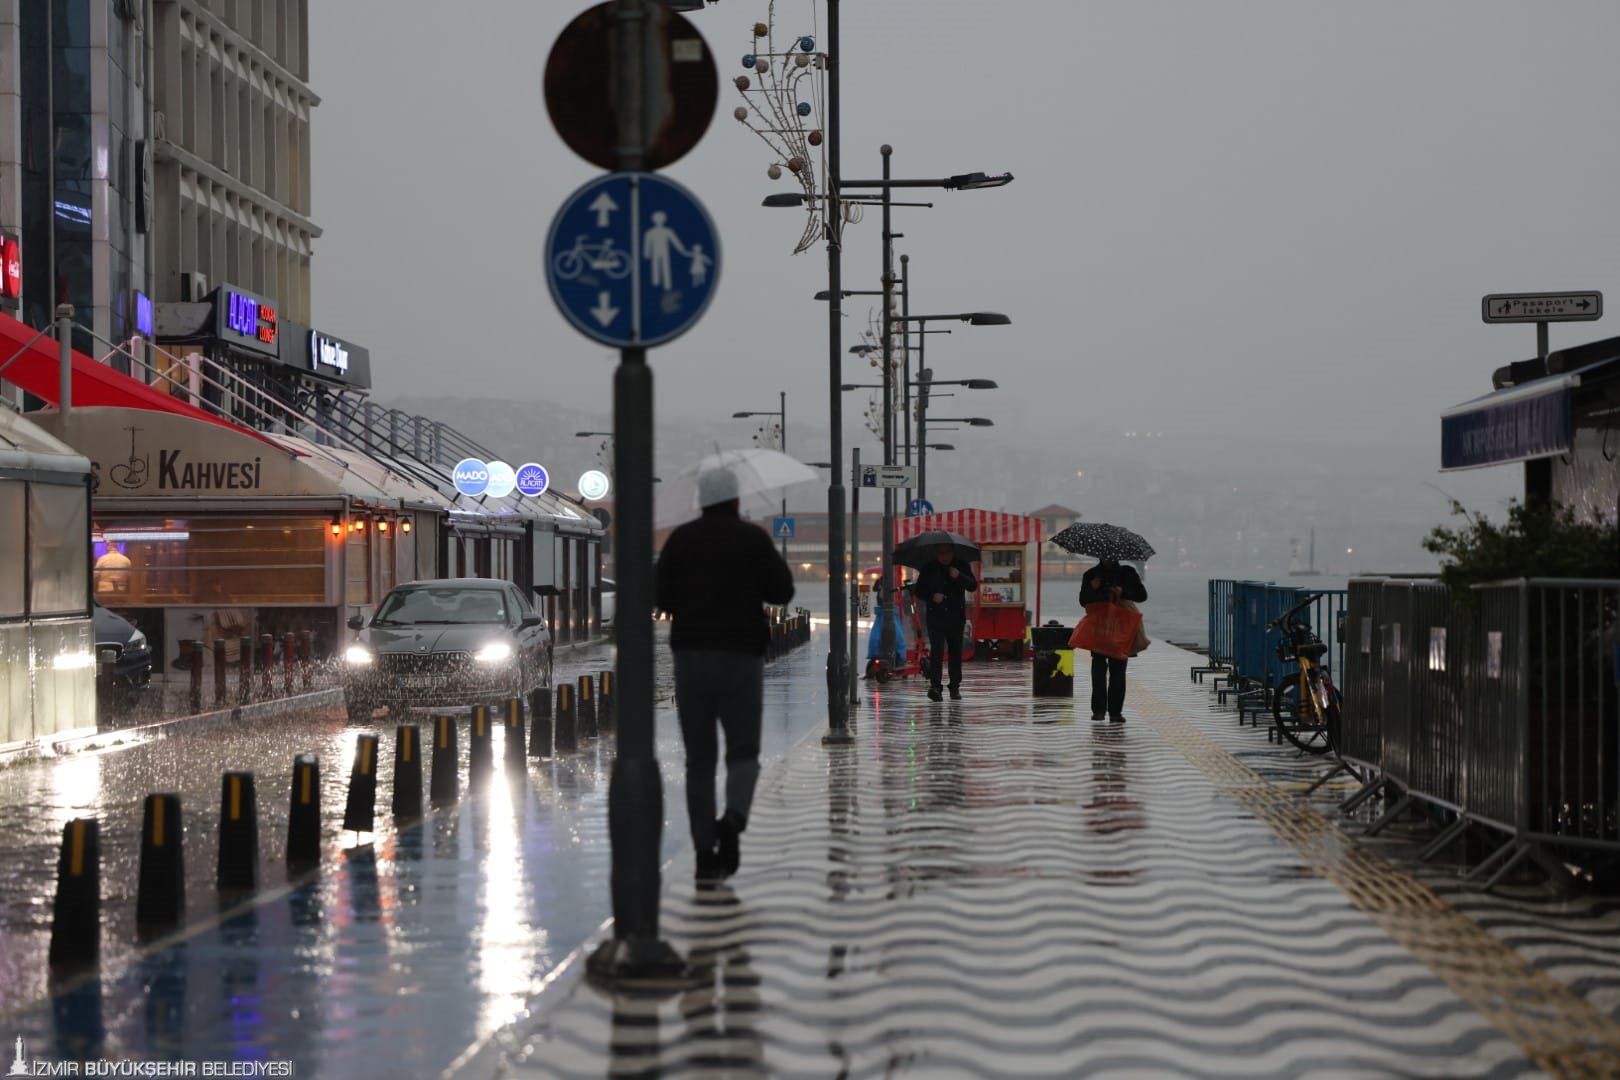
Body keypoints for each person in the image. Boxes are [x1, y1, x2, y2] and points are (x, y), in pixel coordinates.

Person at [655, 467, 795, 883]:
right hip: (741, 656)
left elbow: (660, 597)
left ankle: (703, 851)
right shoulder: (753, 539)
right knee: (743, 751)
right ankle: (733, 820)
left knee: (699, 760)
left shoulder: (681, 539)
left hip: (692, 656)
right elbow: (782, 591)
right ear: (735, 498)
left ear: (702, 499)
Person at [1079, 559, 1147, 722]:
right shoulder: (1091, 575)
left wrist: (1122, 592)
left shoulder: (1127, 572)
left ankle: (1115, 712)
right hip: (1099, 626)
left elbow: (1141, 595)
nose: (1107, 557)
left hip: (1121, 626)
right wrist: (1093, 588)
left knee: (1118, 671)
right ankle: (1098, 710)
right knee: (1098, 669)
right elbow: (1083, 600)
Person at [909, 544, 978, 702]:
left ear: (953, 552)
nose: (944, 556)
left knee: (955, 653)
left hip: (956, 616)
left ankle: (954, 686)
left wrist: (959, 576)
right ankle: (935, 686)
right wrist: (932, 596)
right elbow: (919, 590)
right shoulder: (929, 568)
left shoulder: (961, 565)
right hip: (936, 617)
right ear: (936, 553)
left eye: (947, 553)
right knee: (937, 652)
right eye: (941, 553)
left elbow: (972, 586)